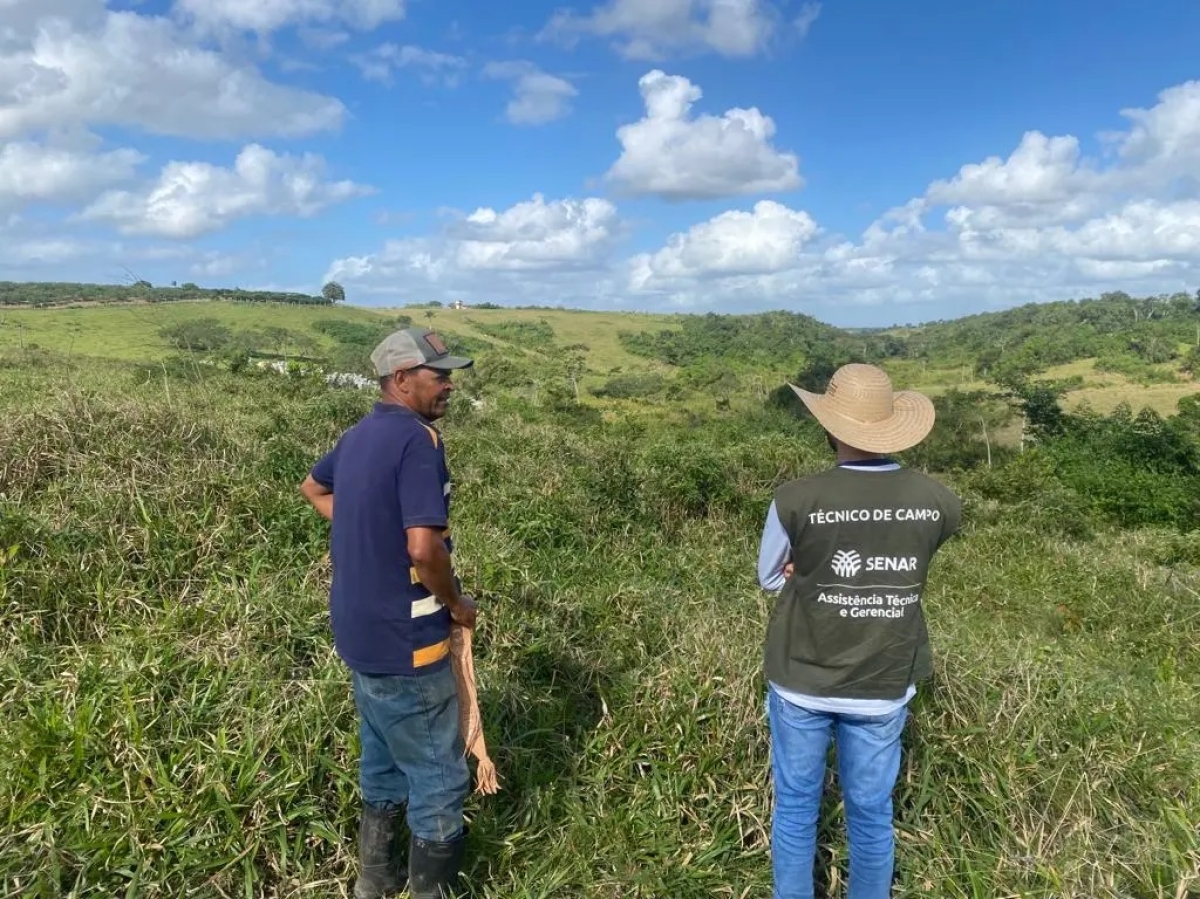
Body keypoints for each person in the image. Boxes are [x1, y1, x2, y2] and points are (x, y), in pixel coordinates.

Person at [756, 363, 962, 899]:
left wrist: (809, 573)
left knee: (797, 805)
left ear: (829, 427)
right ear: (892, 427)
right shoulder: (939, 501)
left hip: (801, 675)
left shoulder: (793, 499)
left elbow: (769, 578)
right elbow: (909, 561)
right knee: (871, 812)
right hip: (883, 678)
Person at [299, 326, 479, 899]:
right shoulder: (418, 441)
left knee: (380, 760)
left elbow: (312, 488)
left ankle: (373, 882)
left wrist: (366, 531)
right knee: (438, 776)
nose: (449, 385)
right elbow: (425, 549)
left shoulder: (356, 436)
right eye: (439, 375)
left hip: (358, 634)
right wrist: (457, 604)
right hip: (410, 640)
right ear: (401, 379)